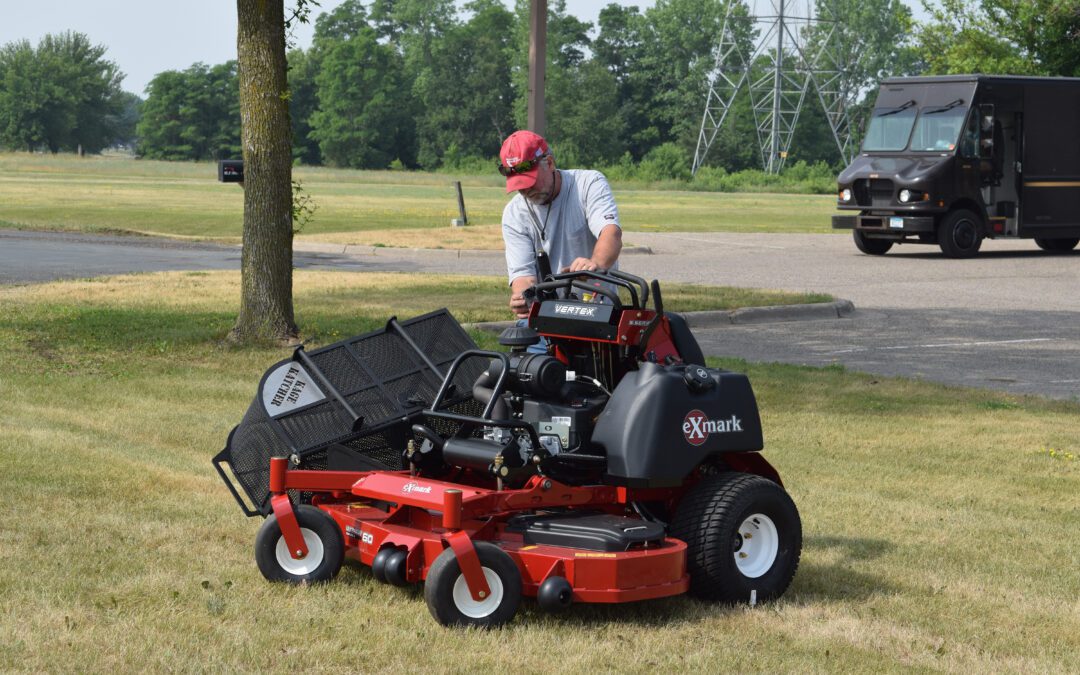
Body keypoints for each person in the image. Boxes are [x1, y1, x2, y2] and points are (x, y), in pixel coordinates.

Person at [499, 130, 623, 319]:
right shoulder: (513, 213)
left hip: (598, 312)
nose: (524, 190)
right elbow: (523, 275)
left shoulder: (588, 184)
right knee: (524, 345)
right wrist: (523, 298)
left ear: (549, 163)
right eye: (518, 185)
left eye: (530, 181)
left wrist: (595, 264)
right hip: (546, 316)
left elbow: (611, 234)